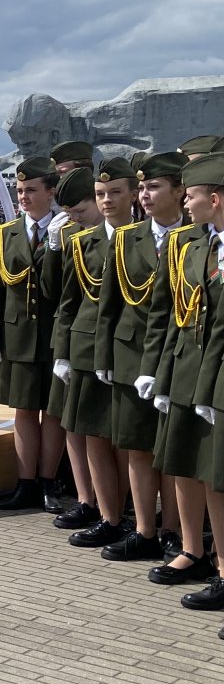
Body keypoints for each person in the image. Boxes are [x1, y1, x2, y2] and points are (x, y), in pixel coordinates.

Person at [97, 152, 186, 561]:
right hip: (132, 353)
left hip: (180, 356)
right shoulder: (128, 237)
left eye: (154, 187)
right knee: (138, 446)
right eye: (144, 188)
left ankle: (176, 531)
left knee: (174, 450)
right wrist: (104, 357)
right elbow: (109, 304)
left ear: (180, 191)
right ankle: (145, 530)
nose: (146, 196)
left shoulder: (198, 236)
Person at [145, 153, 224, 588]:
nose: (187, 205)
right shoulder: (199, 243)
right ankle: (193, 550)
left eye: (191, 196)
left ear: (214, 199)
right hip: (186, 368)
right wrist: (162, 374)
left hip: (216, 378)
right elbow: (176, 311)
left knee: (216, 474)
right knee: (185, 464)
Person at [53, 161, 136, 548]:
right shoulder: (82, 242)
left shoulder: (149, 239)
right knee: (94, 438)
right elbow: (68, 303)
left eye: (113, 193)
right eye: (100, 195)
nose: (106, 201)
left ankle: (135, 515)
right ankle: (108, 516)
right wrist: (63, 351)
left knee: (129, 442)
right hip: (87, 348)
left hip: (130, 350)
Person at [0, 156, 67, 509]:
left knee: (52, 413)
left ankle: (49, 483)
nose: (24, 197)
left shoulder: (68, 233)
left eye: (31, 190)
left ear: (51, 192)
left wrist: (54, 246)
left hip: (52, 336)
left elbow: (62, 291)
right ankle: (25, 483)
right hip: (17, 335)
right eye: (20, 190)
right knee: (23, 411)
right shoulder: (6, 234)